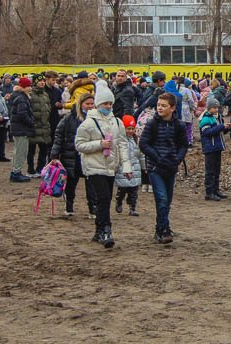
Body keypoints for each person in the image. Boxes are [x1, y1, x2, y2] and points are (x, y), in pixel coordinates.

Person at [74, 85, 133, 248]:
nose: (108, 106)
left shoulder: (117, 122)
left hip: (110, 165)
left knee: (105, 199)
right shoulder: (88, 123)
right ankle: (106, 230)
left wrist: (126, 166)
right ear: (98, 104)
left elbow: (122, 144)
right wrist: (99, 144)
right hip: (94, 166)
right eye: (105, 103)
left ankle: (99, 230)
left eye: (110, 103)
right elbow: (79, 145)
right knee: (104, 197)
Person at [138, 92, 186, 245]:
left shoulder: (179, 125)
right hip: (155, 167)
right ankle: (164, 230)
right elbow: (143, 144)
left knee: (167, 201)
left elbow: (183, 145)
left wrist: (177, 159)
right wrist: (157, 158)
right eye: (158, 105)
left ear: (172, 108)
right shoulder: (152, 124)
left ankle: (160, 228)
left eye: (164, 106)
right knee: (162, 198)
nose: (160, 108)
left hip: (171, 167)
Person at [50, 92, 94, 218]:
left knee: (92, 185)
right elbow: (58, 136)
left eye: (92, 104)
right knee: (71, 184)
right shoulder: (69, 118)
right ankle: (69, 206)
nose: (90, 106)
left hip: (89, 155)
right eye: (87, 104)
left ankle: (93, 209)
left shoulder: (96, 119)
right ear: (81, 104)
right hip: (71, 155)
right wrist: (54, 155)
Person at [7, 77, 35, 182]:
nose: (30, 88)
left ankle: (16, 171)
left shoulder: (17, 96)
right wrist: (31, 123)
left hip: (18, 128)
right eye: (29, 86)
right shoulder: (22, 98)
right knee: (21, 152)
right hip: (21, 129)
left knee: (18, 151)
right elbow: (22, 114)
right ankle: (16, 172)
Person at [115, 115, 144, 217]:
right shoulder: (120, 140)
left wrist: (144, 166)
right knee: (123, 189)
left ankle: (132, 208)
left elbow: (141, 155)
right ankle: (119, 201)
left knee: (134, 191)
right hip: (123, 169)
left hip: (135, 169)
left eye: (132, 129)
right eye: (128, 129)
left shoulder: (136, 140)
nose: (130, 131)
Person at [198, 105, 226, 201]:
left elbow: (219, 131)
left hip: (217, 147)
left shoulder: (216, 118)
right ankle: (209, 192)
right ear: (209, 108)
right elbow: (207, 132)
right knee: (210, 171)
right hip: (210, 148)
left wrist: (226, 128)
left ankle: (216, 190)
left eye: (217, 107)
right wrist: (221, 127)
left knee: (216, 170)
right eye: (214, 107)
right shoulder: (205, 119)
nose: (216, 109)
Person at [28, 74, 53, 174]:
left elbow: (49, 108)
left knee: (44, 149)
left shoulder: (45, 94)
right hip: (33, 126)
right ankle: (30, 169)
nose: (42, 83)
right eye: (40, 81)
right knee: (31, 150)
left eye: (43, 81)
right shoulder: (30, 94)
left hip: (45, 126)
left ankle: (40, 168)